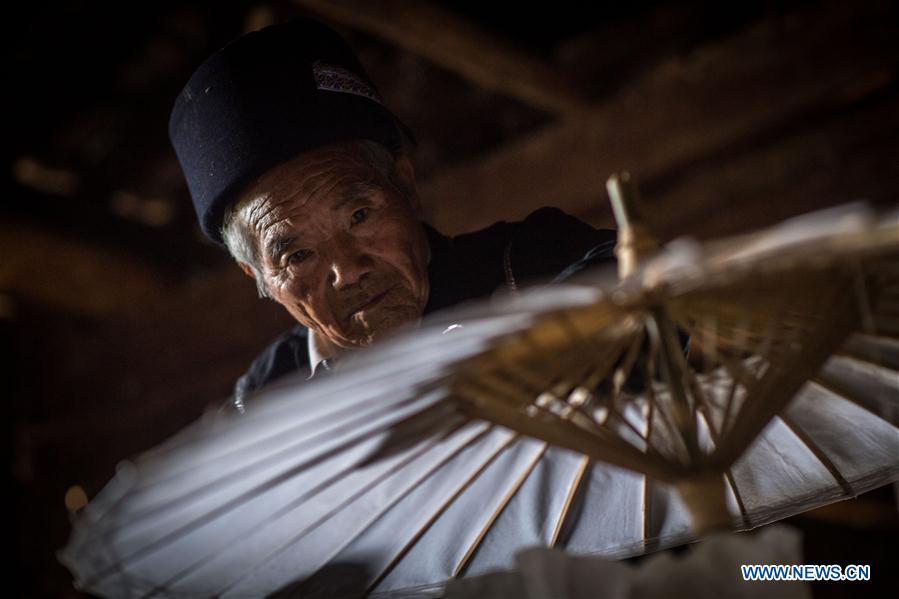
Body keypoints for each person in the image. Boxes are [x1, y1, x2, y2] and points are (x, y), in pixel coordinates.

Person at [169, 18, 616, 414]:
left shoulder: (527, 266)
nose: (348, 271)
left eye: (359, 215)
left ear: (404, 184)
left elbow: (636, 289)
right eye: (300, 254)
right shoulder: (264, 403)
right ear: (259, 277)